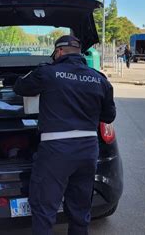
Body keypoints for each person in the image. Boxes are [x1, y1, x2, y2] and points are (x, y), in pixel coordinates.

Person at [13, 35, 116, 235]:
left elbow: (20, 87)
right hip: (88, 149)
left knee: (45, 208)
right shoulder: (99, 78)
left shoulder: (48, 72)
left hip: (56, 150)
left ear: (59, 52)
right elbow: (109, 115)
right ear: (79, 53)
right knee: (80, 208)